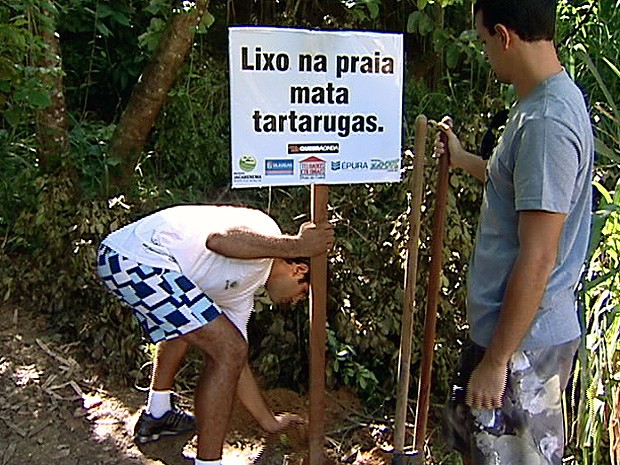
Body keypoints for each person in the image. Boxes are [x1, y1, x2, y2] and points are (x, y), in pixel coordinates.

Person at [436, 0, 594, 464]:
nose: (486, 54)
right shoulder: (542, 103)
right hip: (508, 334)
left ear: (504, 35)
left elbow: (540, 255)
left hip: (523, 345)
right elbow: (520, 187)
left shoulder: (547, 120)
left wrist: (498, 361)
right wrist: (465, 161)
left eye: (485, 42)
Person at [96, 204, 335, 465]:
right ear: (298, 271)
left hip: (140, 263)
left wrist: (271, 422)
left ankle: (158, 414)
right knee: (225, 346)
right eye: (302, 294)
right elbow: (219, 240)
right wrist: (298, 245)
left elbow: (237, 363)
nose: (295, 301)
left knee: (197, 327)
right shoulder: (266, 232)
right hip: (133, 259)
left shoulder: (242, 295)